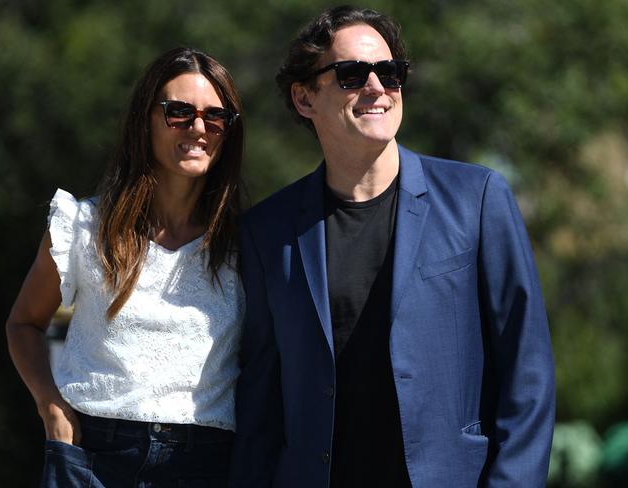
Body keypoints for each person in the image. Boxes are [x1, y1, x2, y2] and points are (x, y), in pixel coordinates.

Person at [230, 5, 555, 488]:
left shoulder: (478, 198)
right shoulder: (266, 231)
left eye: (390, 72)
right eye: (351, 74)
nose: (377, 88)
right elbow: (260, 403)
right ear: (303, 97)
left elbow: (527, 374)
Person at [6, 46, 245, 487]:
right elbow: (24, 324)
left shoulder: (245, 246)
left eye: (215, 117)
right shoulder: (82, 226)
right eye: (179, 112)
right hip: (92, 453)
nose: (198, 128)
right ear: (146, 120)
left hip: (205, 464)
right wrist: (51, 409)